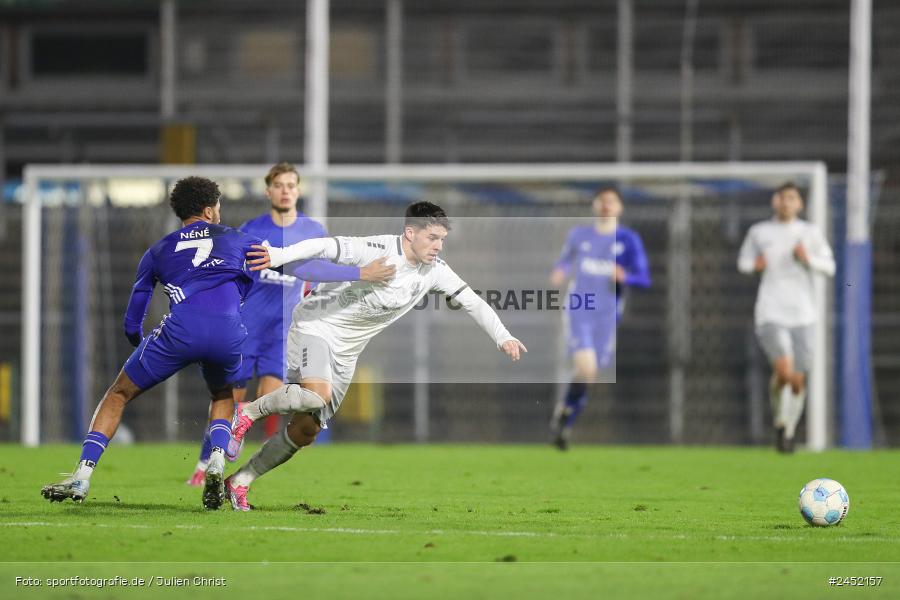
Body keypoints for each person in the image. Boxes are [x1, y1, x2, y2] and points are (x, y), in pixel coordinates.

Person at [222, 201, 527, 510]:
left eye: (442, 240)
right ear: (410, 233)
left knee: (306, 430)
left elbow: (473, 302)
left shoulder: (435, 272)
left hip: (347, 352)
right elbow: (325, 246)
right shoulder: (377, 248)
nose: (438, 246)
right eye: (432, 237)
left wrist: (504, 336)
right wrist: (279, 255)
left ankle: (239, 482)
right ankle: (246, 414)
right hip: (315, 326)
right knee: (317, 395)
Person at [41, 177, 260, 509]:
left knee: (118, 394)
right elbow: (279, 261)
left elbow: (133, 318)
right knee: (222, 395)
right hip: (229, 333)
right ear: (208, 210)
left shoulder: (158, 250)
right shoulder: (238, 238)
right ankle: (216, 458)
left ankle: (82, 476)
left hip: (180, 331)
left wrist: (139, 342)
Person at [186, 163, 395, 486]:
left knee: (267, 401)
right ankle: (205, 463)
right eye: (279, 185)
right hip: (247, 327)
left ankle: (236, 457)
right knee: (230, 398)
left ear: (298, 190)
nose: (285, 190)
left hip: (284, 332)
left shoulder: (313, 231)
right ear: (268, 191)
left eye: (291, 185)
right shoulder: (251, 229)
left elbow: (323, 273)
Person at [548, 187, 651, 450]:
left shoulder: (628, 240)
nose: (606, 205)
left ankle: (564, 417)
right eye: (602, 200)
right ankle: (564, 420)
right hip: (579, 307)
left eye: (612, 201)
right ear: (595, 205)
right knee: (587, 368)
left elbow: (644, 277)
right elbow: (564, 262)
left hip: (607, 315)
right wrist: (560, 272)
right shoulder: (579, 235)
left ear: (620, 207)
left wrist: (625, 277)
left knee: (589, 375)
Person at [738, 182, 835, 453]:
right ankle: (781, 422)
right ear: (774, 201)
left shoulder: (809, 233)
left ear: (799, 204)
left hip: (804, 314)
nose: (786, 202)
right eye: (781, 197)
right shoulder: (759, 232)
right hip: (770, 311)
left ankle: (787, 429)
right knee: (783, 369)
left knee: (797, 379)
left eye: (791, 198)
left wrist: (808, 260)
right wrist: (754, 267)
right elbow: (744, 262)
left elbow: (829, 266)